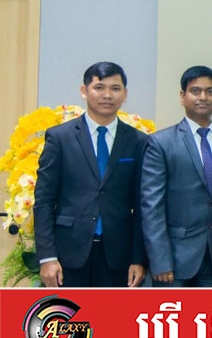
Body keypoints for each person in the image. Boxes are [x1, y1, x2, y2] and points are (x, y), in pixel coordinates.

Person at [33, 62, 147, 287]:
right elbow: (44, 200)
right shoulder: (60, 138)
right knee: (70, 311)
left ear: (125, 94)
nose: (107, 95)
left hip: (119, 257)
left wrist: (138, 258)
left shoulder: (138, 141)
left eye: (115, 88)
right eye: (99, 87)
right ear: (84, 91)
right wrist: (47, 257)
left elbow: (142, 205)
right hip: (67, 255)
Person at [140, 66, 212, 287]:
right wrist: (160, 260)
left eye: (210, 91)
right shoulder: (161, 142)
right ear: (182, 96)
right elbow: (152, 207)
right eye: (195, 91)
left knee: (211, 312)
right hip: (173, 261)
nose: (203, 97)